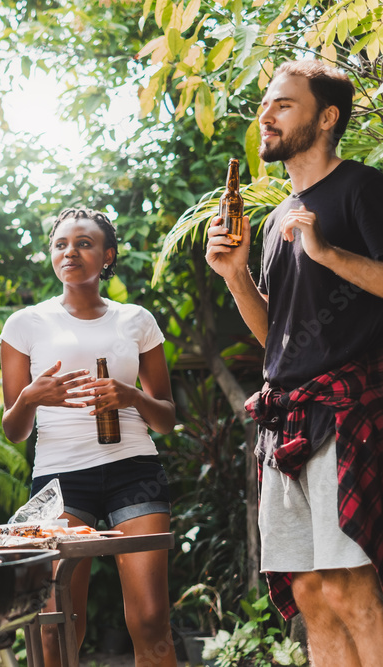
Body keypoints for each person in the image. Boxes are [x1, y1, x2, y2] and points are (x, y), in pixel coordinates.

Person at [206, 60, 383, 665]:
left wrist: (327, 252)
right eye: (266, 104)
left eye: (283, 104)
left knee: (349, 585)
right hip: (284, 417)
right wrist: (234, 277)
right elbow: (276, 337)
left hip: (348, 412)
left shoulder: (363, 188)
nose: (266, 114)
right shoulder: (280, 213)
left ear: (326, 117)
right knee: (309, 590)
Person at [0, 207, 177, 667]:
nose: (70, 252)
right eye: (61, 244)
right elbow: (14, 431)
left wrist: (131, 397)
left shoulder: (136, 320)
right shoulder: (25, 325)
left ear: (108, 255)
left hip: (134, 469)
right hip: (60, 478)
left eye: (84, 243)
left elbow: (166, 419)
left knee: (152, 617)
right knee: (59, 619)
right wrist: (31, 398)